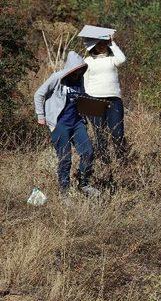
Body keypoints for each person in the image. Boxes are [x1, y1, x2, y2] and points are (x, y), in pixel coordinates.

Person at [34, 51, 100, 198]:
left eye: (81, 70)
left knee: (88, 152)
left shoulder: (80, 80)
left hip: (77, 123)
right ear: (71, 68)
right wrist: (41, 116)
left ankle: (84, 184)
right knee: (65, 159)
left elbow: (81, 98)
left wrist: (97, 105)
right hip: (60, 124)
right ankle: (64, 193)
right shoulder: (57, 78)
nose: (78, 73)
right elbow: (39, 94)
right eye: (76, 70)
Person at [83, 35, 127, 164]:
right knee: (100, 134)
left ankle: (122, 161)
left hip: (114, 100)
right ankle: (105, 163)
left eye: (104, 43)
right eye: (99, 44)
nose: (102, 46)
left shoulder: (112, 59)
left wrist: (112, 42)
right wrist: (86, 103)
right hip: (94, 99)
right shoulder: (87, 61)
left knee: (117, 133)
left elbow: (122, 59)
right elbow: (85, 83)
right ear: (93, 46)